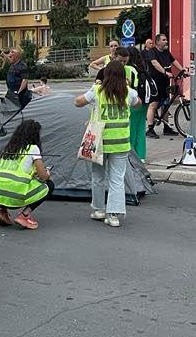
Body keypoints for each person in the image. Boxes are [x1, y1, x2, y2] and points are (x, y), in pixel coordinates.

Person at [74, 60, 141, 227]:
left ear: (106, 75)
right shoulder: (129, 92)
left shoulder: (97, 91)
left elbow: (78, 102)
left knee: (98, 176)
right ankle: (113, 216)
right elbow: (138, 104)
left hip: (100, 143)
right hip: (121, 142)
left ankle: (98, 210)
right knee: (117, 179)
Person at [0, 119, 54, 230]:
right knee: (49, 185)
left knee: (7, 183)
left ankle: (2, 212)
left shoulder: (9, 148)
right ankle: (24, 216)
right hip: (15, 195)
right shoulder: (33, 149)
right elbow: (43, 177)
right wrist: (47, 173)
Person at [144, 33, 183, 138]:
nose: (166, 42)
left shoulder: (166, 52)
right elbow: (155, 63)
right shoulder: (152, 52)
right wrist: (165, 72)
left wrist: (182, 70)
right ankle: (150, 129)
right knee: (154, 104)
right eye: (164, 40)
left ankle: (166, 127)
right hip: (155, 82)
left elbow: (173, 61)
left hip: (165, 82)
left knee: (166, 103)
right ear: (157, 42)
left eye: (166, 40)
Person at [126, 47, 151, 160]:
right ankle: (141, 156)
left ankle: (131, 156)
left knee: (130, 130)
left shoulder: (128, 68)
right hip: (144, 102)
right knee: (140, 130)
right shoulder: (141, 68)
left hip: (133, 103)